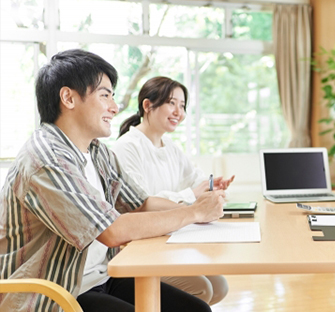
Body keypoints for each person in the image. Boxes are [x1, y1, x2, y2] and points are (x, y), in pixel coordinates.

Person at [0, 49, 224, 312]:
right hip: (54, 293)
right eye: (104, 95)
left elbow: (140, 203)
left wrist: (201, 211)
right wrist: (193, 212)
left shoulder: (97, 151)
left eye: (112, 96)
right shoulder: (47, 159)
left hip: (102, 277)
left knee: (196, 309)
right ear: (68, 98)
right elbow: (112, 231)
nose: (115, 107)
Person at [111, 76, 233, 305]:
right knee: (202, 290)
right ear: (147, 106)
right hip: (140, 244)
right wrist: (192, 196)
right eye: (172, 103)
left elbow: (194, 178)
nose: (179, 111)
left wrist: (211, 186)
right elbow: (141, 204)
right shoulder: (127, 147)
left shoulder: (170, 147)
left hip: (169, 237)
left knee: (219, 286)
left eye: (183, 105)